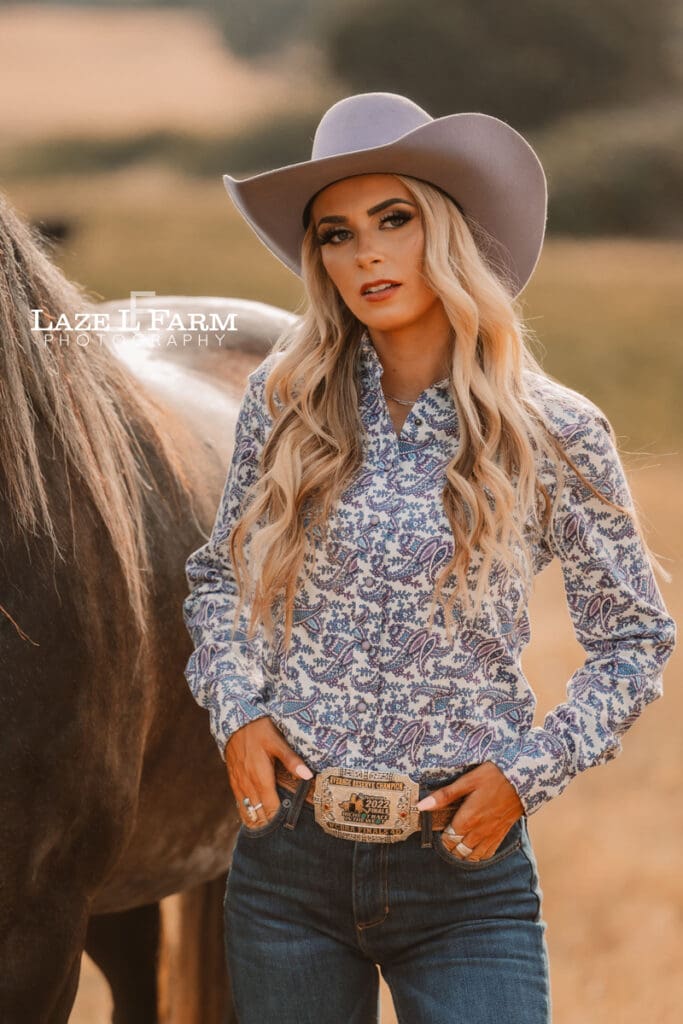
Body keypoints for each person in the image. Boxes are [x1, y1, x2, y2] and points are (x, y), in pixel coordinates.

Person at [181, 93, 676, 1024]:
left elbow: (634, 639)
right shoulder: (282, 403)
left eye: (392, 220)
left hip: (463, 866)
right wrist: (237, 714)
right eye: (335, 234)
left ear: (446, 233)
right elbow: (218, 578)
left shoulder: (552, 429)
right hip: (286, 867)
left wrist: (526, 775)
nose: (364, 253)